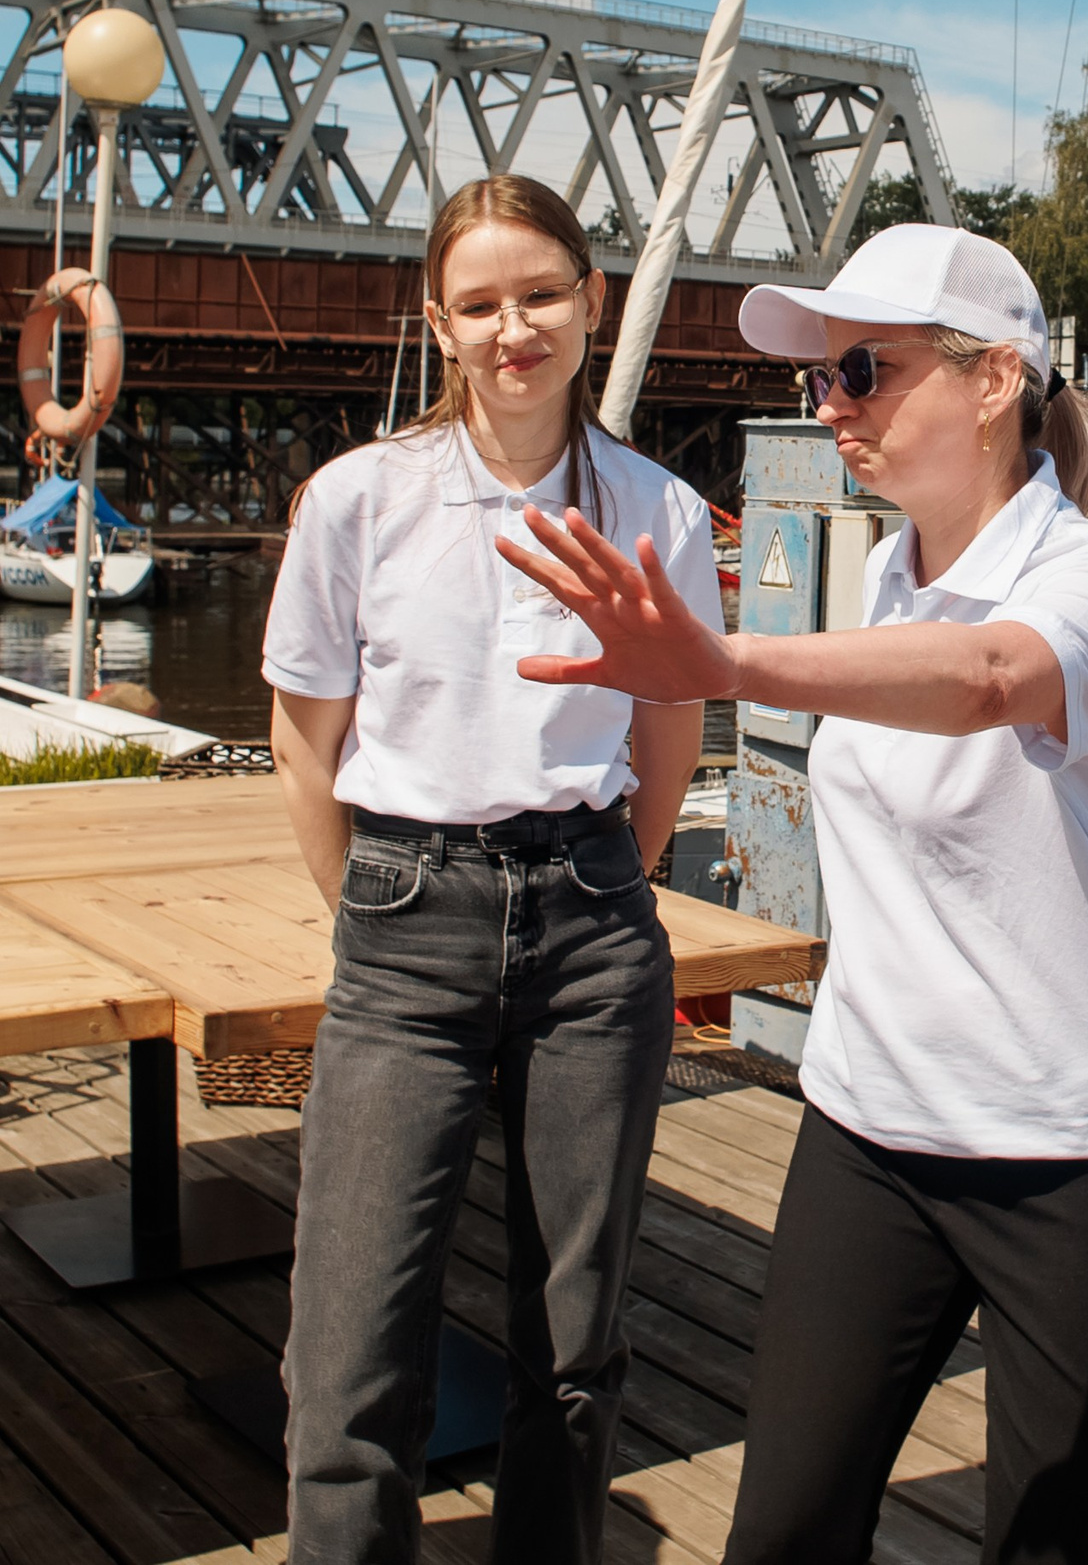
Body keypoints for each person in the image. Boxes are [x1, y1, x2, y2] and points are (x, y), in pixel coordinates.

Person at [495, 223, 1088, 1565]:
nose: (832, 407)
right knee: (784, 1531)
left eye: (863, 371)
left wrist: (725, 663)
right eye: (820, 378)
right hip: (872, 1125)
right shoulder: (886, 575)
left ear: (995, 380)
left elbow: (992, 679)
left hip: (1077, 1147)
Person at [264, 174, 724, 1563]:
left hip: (591, 929)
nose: (512, 329)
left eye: (540, 295)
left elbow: (669, 737)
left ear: (591, 302)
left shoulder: (658, 510)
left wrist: (611, 883)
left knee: (573, 1343)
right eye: (479, 305)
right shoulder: (360, 500)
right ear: (439, 324)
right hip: (405, 923)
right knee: (349, 1349)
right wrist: (371, 909)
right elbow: (305, 739)